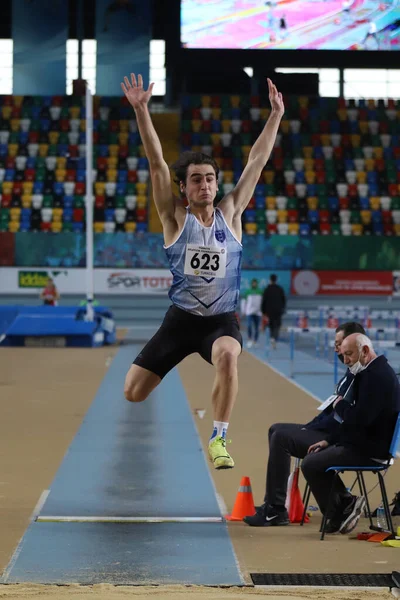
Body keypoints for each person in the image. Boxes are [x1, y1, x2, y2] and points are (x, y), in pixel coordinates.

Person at [121, 73, 284, 469]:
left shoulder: (231, 213)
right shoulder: (174, 219)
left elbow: (257, 160)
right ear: (184, 188)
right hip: (180, 322)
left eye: (210, 178)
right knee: (133, 393)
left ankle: (219, 438)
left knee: (229, 356)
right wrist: (142, 110)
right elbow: (157, 164)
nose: (206, 185)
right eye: (196, 180)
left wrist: (276, 115)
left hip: (220, 322)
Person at [244, 321, 366, 527]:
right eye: (335, 344)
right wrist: (310, 426)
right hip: (325, 430)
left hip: (335, 438)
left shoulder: (362, 375)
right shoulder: (351, 371)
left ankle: (275, 510)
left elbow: (348, 418)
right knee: (275, 429)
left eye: (340, 344)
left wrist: (315, 430)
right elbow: (332, 409)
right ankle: (274, 503)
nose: (336, 349)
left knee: (281, 438)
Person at [301, 333, 400, 535]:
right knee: (315, 457)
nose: (345, 361)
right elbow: (355, 423)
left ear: (364, 351)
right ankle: (345, 504)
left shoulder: (376, 377)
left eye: (349, 355)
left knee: (310, 464)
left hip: (370, 449)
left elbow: (357, 420)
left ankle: (343, 508)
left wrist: (340, 405)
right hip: (364, 441)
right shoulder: (373, 372)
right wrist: (329, 441)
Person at [261, 274, 286, 348]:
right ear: (276, 280)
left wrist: (263, 311)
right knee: (277, 325)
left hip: (269, 311)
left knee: (271, 325)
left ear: (270, 280)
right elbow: (284, 300)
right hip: (278, 311)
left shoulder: (267, 289)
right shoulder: (280, 289)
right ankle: (274, 338)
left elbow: (264, 301)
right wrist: (282, 309)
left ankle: (272, 338)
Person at [243, 278, 263, 348]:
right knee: (249, 325)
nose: (254, 284)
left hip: (258, 312)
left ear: (257, 283)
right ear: (251, 283)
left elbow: (262, 302)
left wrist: (262, 311)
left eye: (255, 283)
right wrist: (243, 311)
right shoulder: (248, 291)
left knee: (257, 327)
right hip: (249, 312)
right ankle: (249, 338)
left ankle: (255, 340)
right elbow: (244, 302)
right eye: (253, 283)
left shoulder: (260, 291)